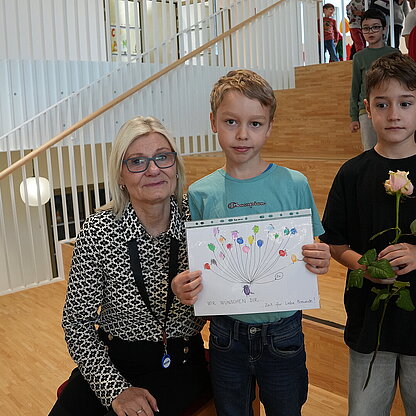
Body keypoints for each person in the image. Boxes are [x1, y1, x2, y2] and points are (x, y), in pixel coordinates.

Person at [172, 70, 331, 416]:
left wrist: (320, 259)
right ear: (213, 122)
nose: (243, 134)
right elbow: (198, 262)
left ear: (270, 126)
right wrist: (186, 285)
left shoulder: (294, 184)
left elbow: (313, 250)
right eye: (231, 122)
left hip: (283, 331)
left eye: (255, 124)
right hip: (226, 332)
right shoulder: (200, 193)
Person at [49, 116, 211, 416]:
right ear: (120, 175)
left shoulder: (199, 218)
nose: (153, 170)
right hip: (113, 360)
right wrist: (115, 389)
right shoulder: (99, 230)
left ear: (175, 166)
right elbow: (77, 323)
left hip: (182, 362)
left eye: (162, 157)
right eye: (137, 161)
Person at [321, 53, 416, 415]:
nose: (394, 115)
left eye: (405, 103)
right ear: (367, 109)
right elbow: (335, 242)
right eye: (382, 104)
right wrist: (365, 267)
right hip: (368, 325)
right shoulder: (352, 173)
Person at [349, 8, 397, 151]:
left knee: (392, 148)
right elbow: (355, 88)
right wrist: (354, 117)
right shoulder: (359, 57)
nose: (370, 32)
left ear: (384, 29)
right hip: (367, 111)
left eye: (375, 27)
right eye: (366, 28)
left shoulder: (394, 53)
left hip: (391, 108)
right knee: (370, 151)